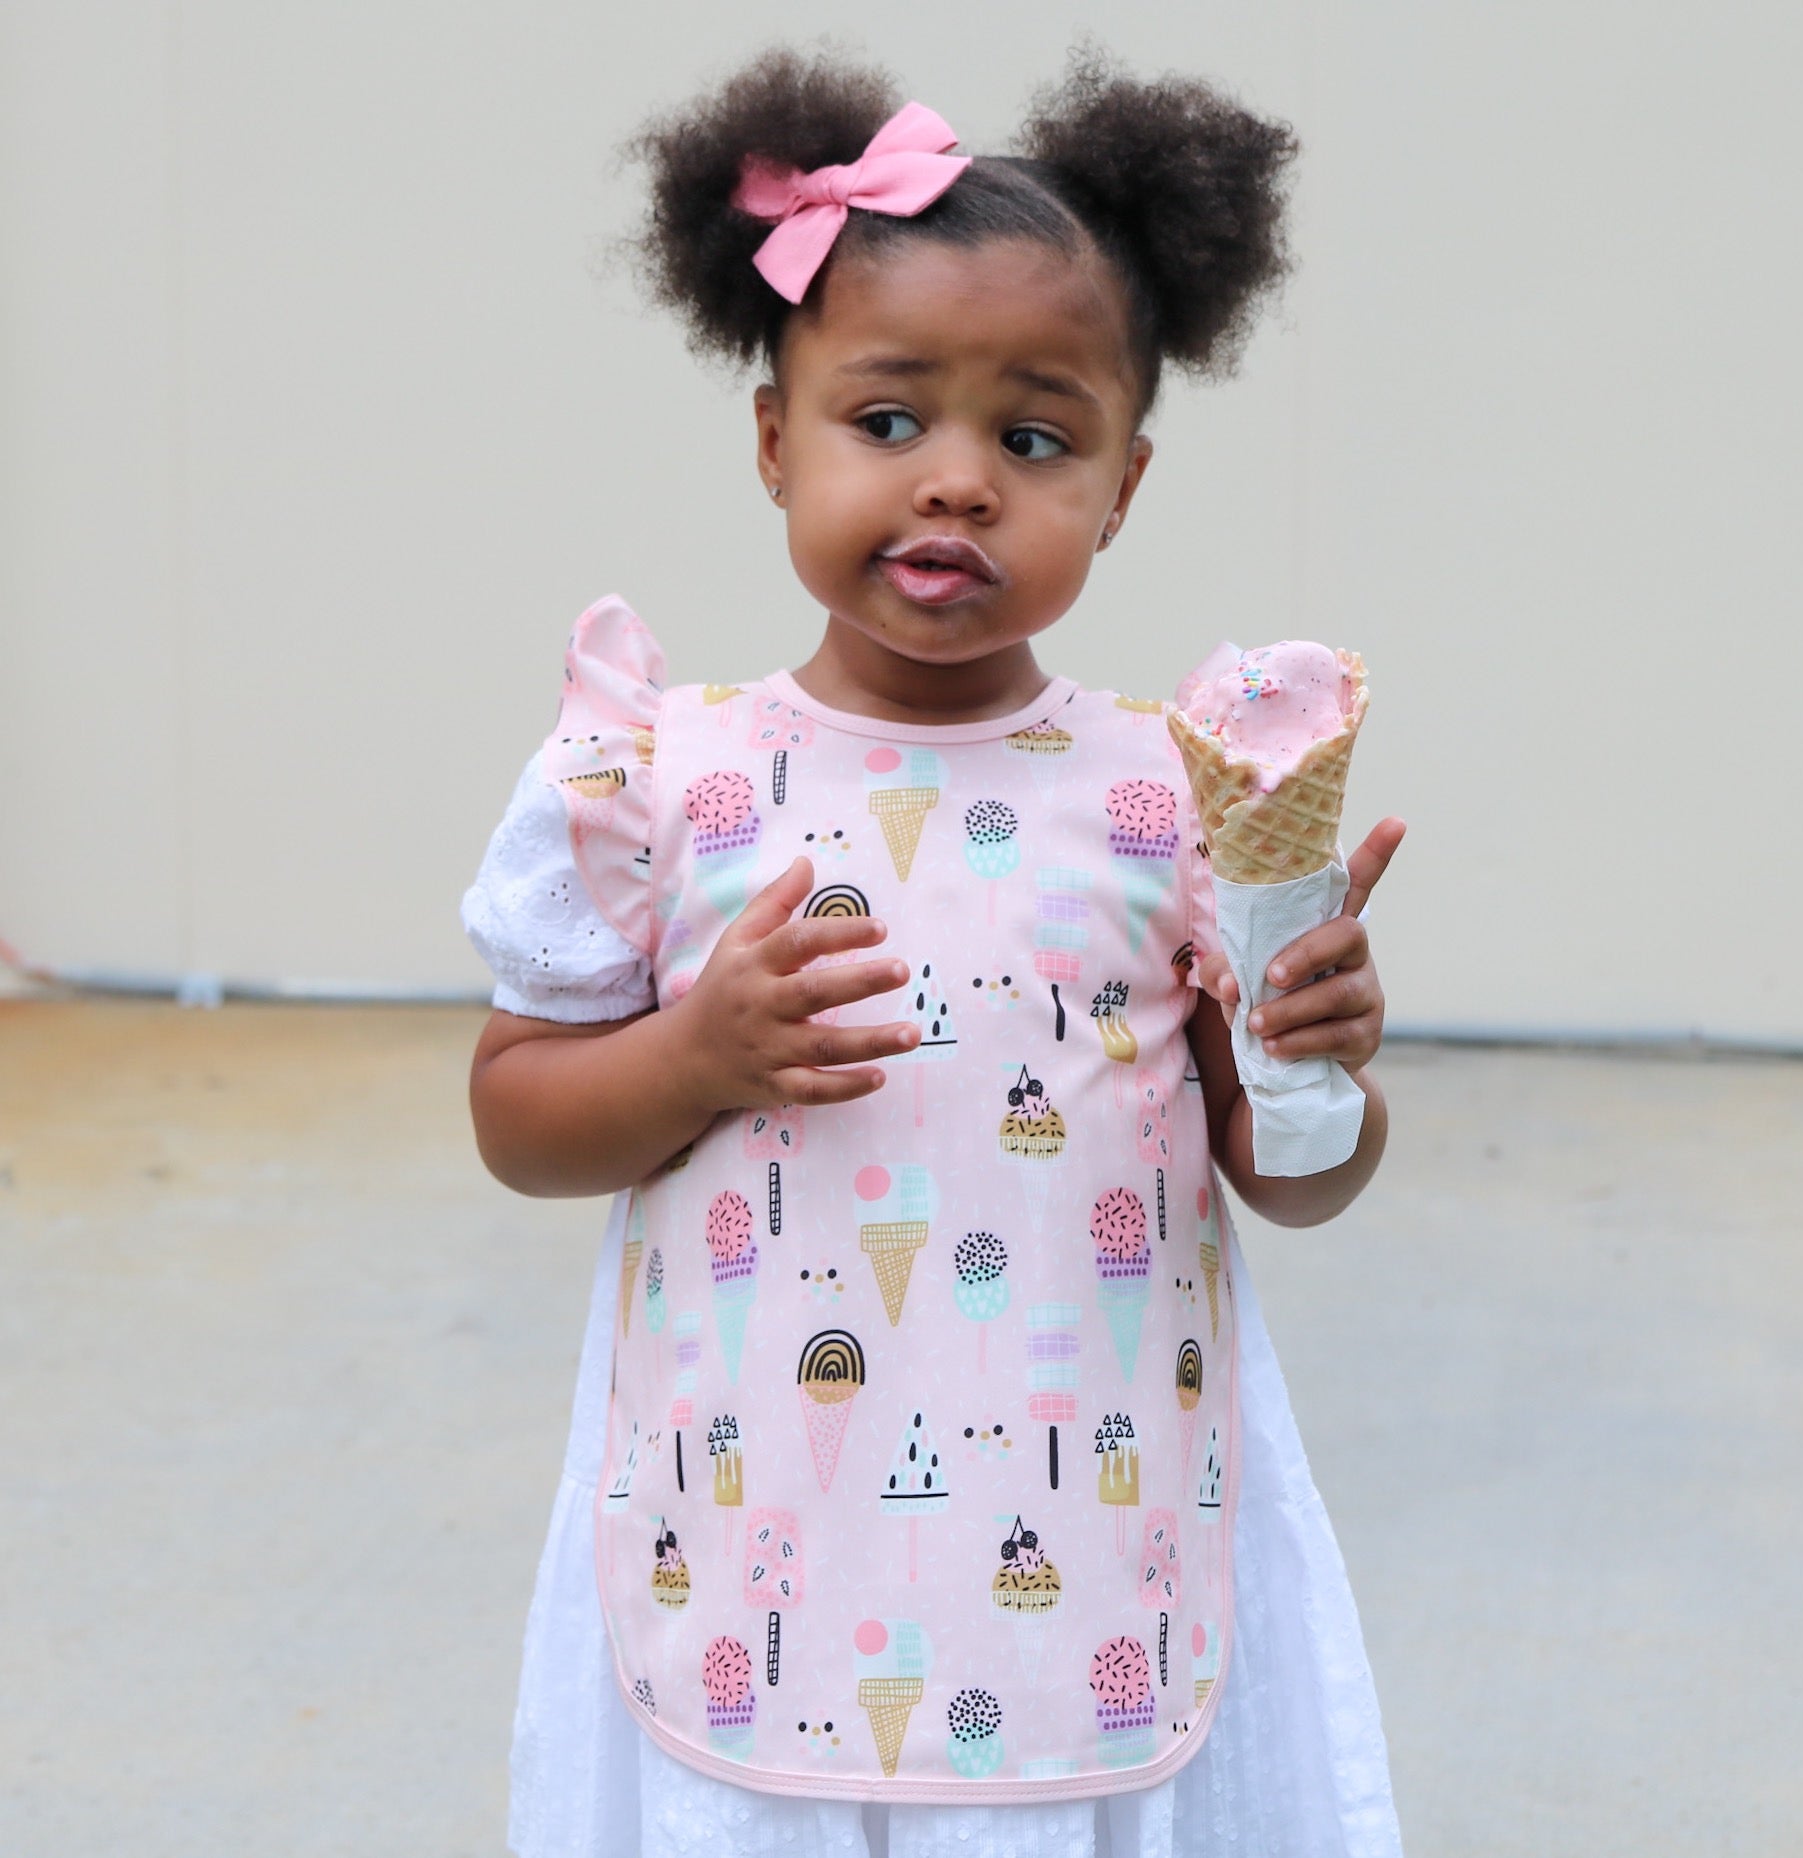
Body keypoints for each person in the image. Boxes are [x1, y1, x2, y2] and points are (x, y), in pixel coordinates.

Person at [462, 41, 1406, 1858]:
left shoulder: (1174, 790)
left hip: (1086, 1544)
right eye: (887, 421)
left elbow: (1289, 1179)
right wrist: (692, 1057)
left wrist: (1314, 1061)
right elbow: (517, 1119)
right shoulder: (655, 776)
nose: (957, 482)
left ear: (1122, 485)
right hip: (754, 1536)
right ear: (773, 440)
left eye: (1033, 439)